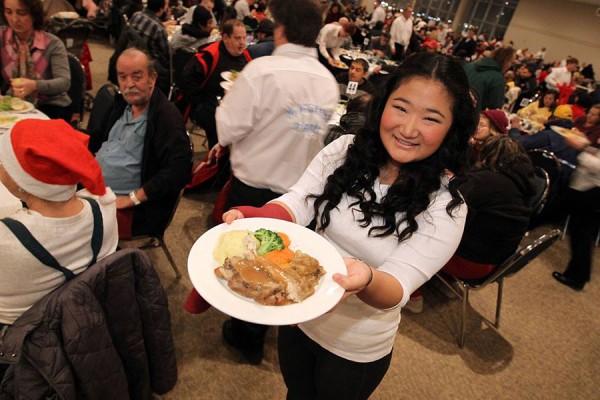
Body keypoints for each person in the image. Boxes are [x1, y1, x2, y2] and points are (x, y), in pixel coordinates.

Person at [221, 52, 476, 398]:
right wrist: (260, 215)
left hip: (354, 347)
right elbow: (299, 200)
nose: (409, 128)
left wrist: (366, 277)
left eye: (431, 118)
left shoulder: (446, 206)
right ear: (383, 104)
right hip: (299, 313)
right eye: (400, 107)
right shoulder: (345, 150)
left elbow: (399, 287)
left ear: (451, 130)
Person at [211, 0, 339, 365]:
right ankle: (267, 325)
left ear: (280, 29)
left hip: (254, 186)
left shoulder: (261, 71)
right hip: (297, 194)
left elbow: (227, 128)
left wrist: (226, 104)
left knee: (246, 263)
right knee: (280, 264)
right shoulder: (327, 81)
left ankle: (246, 334)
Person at [0, 119, 119, 326]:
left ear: (21, 184)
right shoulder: (105, 209)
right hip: (84, 319)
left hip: (20, 340)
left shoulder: (7, 241)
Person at [92, 48, 192, 238]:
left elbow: (178, 171)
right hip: (95, 190)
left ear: (152, 78)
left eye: (137, 77)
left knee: (64, 230)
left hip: (132, 209)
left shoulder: (166, 119)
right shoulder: (121, 104)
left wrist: (132, 199)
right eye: (122, 77)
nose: (129, 84)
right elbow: (97, 140)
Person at [179, 19, 251, 149]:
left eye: (244, 38)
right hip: (210, 109)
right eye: (237, 38)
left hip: (237, 108)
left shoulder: (246, 57)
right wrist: (200, 104)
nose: (242, 43)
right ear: (225, 38)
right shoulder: (209, 56)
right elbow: (186, 80)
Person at [0, 0, 72, 121]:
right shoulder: (2, 38)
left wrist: (34, 85)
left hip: (51, 106)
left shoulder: (52, 44)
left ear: (35, 14)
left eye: (21, 13)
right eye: (8, 12)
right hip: (13, 103)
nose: (14, 19)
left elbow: (64, 82)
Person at [552, 140, 600, 291]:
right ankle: (577, 275)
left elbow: (595, 166)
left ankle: (576, 277)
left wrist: (584, 150)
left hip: (591, 193)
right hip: (582, 189)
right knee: (579, 234)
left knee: (582, 236)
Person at [125, 0, 171, 95]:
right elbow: (167, 54)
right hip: (149, 64)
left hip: (130, 54)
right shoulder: (159, 28)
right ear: (161, 9)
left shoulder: (136, 15)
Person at [464, 46, 517, 113]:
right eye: (511, 63)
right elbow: (494, 109)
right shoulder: (498, 79)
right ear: (505, 61)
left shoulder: (469, 66)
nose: (510, 66)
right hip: (470, 116)